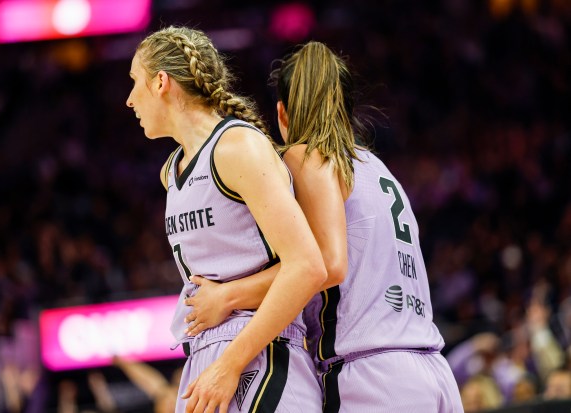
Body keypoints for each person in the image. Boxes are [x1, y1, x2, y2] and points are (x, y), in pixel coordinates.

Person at [183, 41, 464, 412]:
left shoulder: (305, 155)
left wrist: (228, 295)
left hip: (372, 375)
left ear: (282, 114)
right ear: (349, 110)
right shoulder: (379, 169)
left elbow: (327, 265)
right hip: (433, 371)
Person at [125, 26, 327, 413]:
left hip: (260, 350)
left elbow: (307, 265)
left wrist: (231, 363)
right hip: (207, 354)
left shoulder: (237, 146)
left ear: (161, 83)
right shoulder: (172, 172)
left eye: (135, 82)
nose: (129, 99)